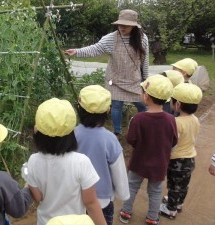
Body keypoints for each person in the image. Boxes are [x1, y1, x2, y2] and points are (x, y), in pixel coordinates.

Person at [65, 9, 149, 137]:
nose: (122, 27)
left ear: (133, 26)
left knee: (143, 105)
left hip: (134, 80)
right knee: (116, 106)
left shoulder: (142, 39)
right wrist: (77, 52)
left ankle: (145, 129)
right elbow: (95, 49)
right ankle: (117, 132)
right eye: (120, 24)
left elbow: (145, 60)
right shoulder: (110, 39)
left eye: (125, 25)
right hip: (114, 80)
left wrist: (145, 79)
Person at [25, 98, 107, 225]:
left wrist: (27, 178)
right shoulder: (81, 162)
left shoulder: (33, 161)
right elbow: (90, 202)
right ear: (72, 131)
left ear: (37, 131)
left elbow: (38, 198)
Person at [119, 75, 178, 225]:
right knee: (156, 191)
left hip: (139, 161)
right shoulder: (171, 119)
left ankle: (126, 212)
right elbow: (174, 140)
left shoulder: (138, 118)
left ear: (146, 96)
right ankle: (152, 217)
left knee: (132, 186)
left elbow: (131, 140)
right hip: (160, 163)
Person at [75, 85, 130, 225]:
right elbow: (118, 170)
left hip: (75, 198)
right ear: (108, 110)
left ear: (79, 109)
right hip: (102, 201)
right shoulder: (110, 139)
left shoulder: (72, 135)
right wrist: (122, 193)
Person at [160, 83, 203, 219]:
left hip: (177, 161)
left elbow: (172, 143)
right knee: (183, 185)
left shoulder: (176, 122)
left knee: (174, 186)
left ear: (177, 104)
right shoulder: (195, 120)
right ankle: (179, 204)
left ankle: (171, 210)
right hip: (190, 159)